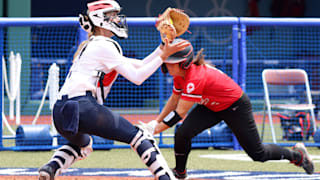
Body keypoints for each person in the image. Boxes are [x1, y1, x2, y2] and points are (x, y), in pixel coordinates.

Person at [37, 1, 190, 180]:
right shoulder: (105, 44)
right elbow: (138, 77)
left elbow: (140, 64)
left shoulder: (94, 44)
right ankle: (165, 178)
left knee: (83, 144)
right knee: (140, 136)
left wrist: (163, 46)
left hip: (60, 111)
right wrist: (164, 55)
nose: (117, 19)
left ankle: (50, 169)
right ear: (100, 19)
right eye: (112, 15)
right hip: (82, 105)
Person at [142, 38, 314, 179]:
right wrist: (155, 122)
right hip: (211, 105)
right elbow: (174, 99)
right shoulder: (180, 75)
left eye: (173, 62)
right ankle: (180, 173)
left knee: (258, 154)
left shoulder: (195, 77)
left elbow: (179, 112)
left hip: (235, 106)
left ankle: (297, 155)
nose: (167, 66)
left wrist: (154, 130)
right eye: (167, 62)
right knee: (182, 133)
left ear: (185, 63)